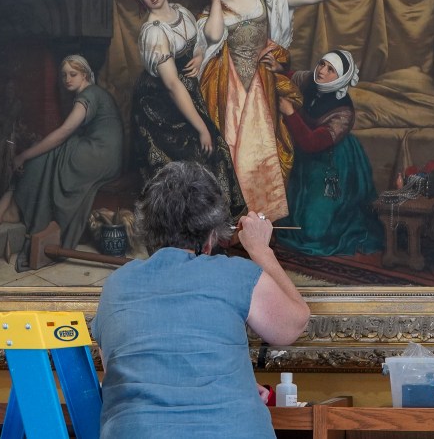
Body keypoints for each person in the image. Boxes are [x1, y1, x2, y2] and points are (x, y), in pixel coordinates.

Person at [92, 160, 309, 438]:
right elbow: (292, 325)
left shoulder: (117, 284)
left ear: (147, 228)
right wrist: (260, 250)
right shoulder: (233, 274)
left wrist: (234, 380)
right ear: (210, 237)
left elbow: (120, 369)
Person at [198, 0, 364, 220]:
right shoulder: (212, 10)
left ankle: (260, 216)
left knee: (261, 153)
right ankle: (235, 219)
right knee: (231, 150)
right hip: (230, 90)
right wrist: (216, 0)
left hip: (262, 85)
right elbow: (214, 36)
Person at [0, 54, 124, 269]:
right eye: (63, 75)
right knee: (48, 154)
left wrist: (25, 155)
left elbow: (64, 131)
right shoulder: (94, 93)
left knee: (44, 155)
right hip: (107, 156)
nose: (67, 79)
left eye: (73, 74)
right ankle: (2, 209)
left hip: (100, 154)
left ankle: (8, 210)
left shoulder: (90, 93)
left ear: (85, 74)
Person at [129, 0, 246, 218]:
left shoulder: (181, 11)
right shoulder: (154, 32)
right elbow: (172, 84)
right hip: (159, 106)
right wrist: (201, 128)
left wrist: (200, 54)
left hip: (186, 91)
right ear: (141, 1)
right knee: (194, 156)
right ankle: (190, 226)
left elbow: (199, 44)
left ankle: (213, 224)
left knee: (215, 148)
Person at [274, 49, 385, 257]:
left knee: (314, 232)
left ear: (341, 78)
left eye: (330, 69)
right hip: (304, 158)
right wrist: (280, 69)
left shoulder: (344, 113)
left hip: (331, 163)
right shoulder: (311, 79)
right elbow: (293, 76)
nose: (322, 71)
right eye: (322, 64)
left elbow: (312, 143)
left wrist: (290, 112)